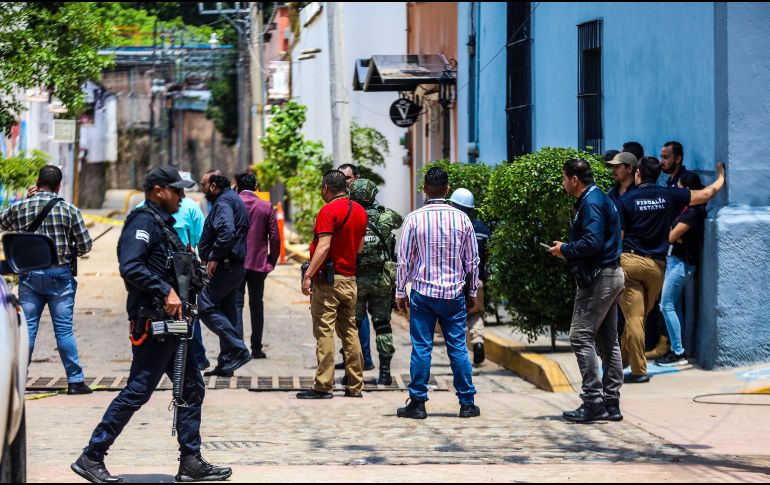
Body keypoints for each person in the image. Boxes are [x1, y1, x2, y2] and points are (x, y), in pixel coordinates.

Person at [71, 166, 231, 483]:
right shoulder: (143, 221)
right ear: (158, 190)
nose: (182, 196)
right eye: (177, 191)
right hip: (152, 321)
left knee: (191, 387)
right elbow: (131, 265)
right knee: (139, 390)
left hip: (173, 323)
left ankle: (191, 462)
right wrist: (165, 290)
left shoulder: (163, 224)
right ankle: (92, 455)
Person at [618, 157, 725, 383]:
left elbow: (620, 237)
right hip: (657, 267)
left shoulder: (626, 200)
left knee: (634, 317)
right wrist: (721, 179)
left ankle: (637, 371)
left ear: (637, 174)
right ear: (659, 175)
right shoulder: (668, 195)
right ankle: (620, 362)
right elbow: (705, 195)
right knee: (639, 315)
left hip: (631, 262)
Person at [395, 167, 480, 419]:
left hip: (423, 293)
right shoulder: (462, 219)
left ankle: (418, 403)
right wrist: (472, 290)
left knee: (421, 348)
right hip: (454, 294)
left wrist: (400, 291)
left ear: (424, 190)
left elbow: (404, 260)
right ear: (447, 189)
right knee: (458, 348)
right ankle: (466, 403)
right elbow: (472, 260)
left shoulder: (413, 219)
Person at [0, 165, 93, 395]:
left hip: (29, 276)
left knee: (28, 329)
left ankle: (19, 379)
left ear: (37, 181)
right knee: (63, 331)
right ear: (59, 186)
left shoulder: (19, 207)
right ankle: (75, 381)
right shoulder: (69, 210)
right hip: (60, 276)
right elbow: (85, 245)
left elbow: (3, 224)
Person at [548, 159, 625, 423]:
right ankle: (611, 403)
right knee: (607, 340)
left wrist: (566, 250)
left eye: (563, 178)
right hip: (610, 274)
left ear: (574, 179)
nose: (562, 183)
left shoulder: (592, 202)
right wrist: (568, 247)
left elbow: (592, 242)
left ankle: (593, 401)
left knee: (580, 337)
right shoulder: (599, 199)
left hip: (599, 278)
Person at [298, 170, 368, 399]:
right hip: (350, 279)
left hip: (328, 282)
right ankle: (356, 385)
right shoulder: (359, 210)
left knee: (324, 331)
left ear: (326, 188)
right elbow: (359, 248)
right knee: (350, 331)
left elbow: (324, 246)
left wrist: (308, 275)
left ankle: (323, 385)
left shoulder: (328, 211)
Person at [136, 175, 209, 371]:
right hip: (182, 270)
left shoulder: (141, 208)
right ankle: (195, 357)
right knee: (188, 314)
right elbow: (199, 240)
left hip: (154, 272)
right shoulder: (191, 207)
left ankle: (156, 359)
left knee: (153, 314)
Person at [349, 178, 403, 385]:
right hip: (381, 280)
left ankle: (351, 372)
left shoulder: (349, 216)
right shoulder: (384, 216)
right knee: (382, 326)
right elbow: (399, 220)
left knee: (352, 327)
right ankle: (385, 373)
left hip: (356, 280)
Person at [198, 170, 251, 377]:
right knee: (227, 313)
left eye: (203, 185)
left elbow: (227, 231)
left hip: (226, 267)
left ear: (213, 186)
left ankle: (238, 349)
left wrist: (213, 256)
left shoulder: (223, 203)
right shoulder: (232, 199)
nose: (202, 190)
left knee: (205, 305)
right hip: (234, 266)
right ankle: (227, 363)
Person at [656, 172, 707, 366]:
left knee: (665, 305)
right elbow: (671, 234)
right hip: (674, 261)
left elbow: (670, 236)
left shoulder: (693, 212)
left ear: (687, 190)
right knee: (674, 306)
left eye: (678, 188)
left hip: (682, 264)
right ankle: (677, 348)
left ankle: (679, 352)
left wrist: (671, 232)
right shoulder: (685, 210)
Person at [336, 162, 376, 371]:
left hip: (366, 269)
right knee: (348, 316)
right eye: (341, 179)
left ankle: (364, 358)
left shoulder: (366, 204)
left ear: (357, 178)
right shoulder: (342, 203)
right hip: (349, 267)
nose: (345, 183)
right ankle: (352, 356)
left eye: (348, 178)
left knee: (358, 316)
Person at [235, 172, 280, 359]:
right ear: (256, 187)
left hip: (235, 263)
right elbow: (275, 237)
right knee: (256, 304)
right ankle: (256, 347)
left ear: (237, 187)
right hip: (258, 264)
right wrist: (271, 261)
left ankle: (237, 348)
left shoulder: (232, 204)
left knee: (236, 305)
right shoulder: (266, 206)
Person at [448, 188, 491, 366]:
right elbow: (487, 253)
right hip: (477, 280)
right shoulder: (482, 228)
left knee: (455, 317)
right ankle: (478, 341)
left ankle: (459, 356)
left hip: (454, 281)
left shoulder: (450, 227)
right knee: (476, 314)